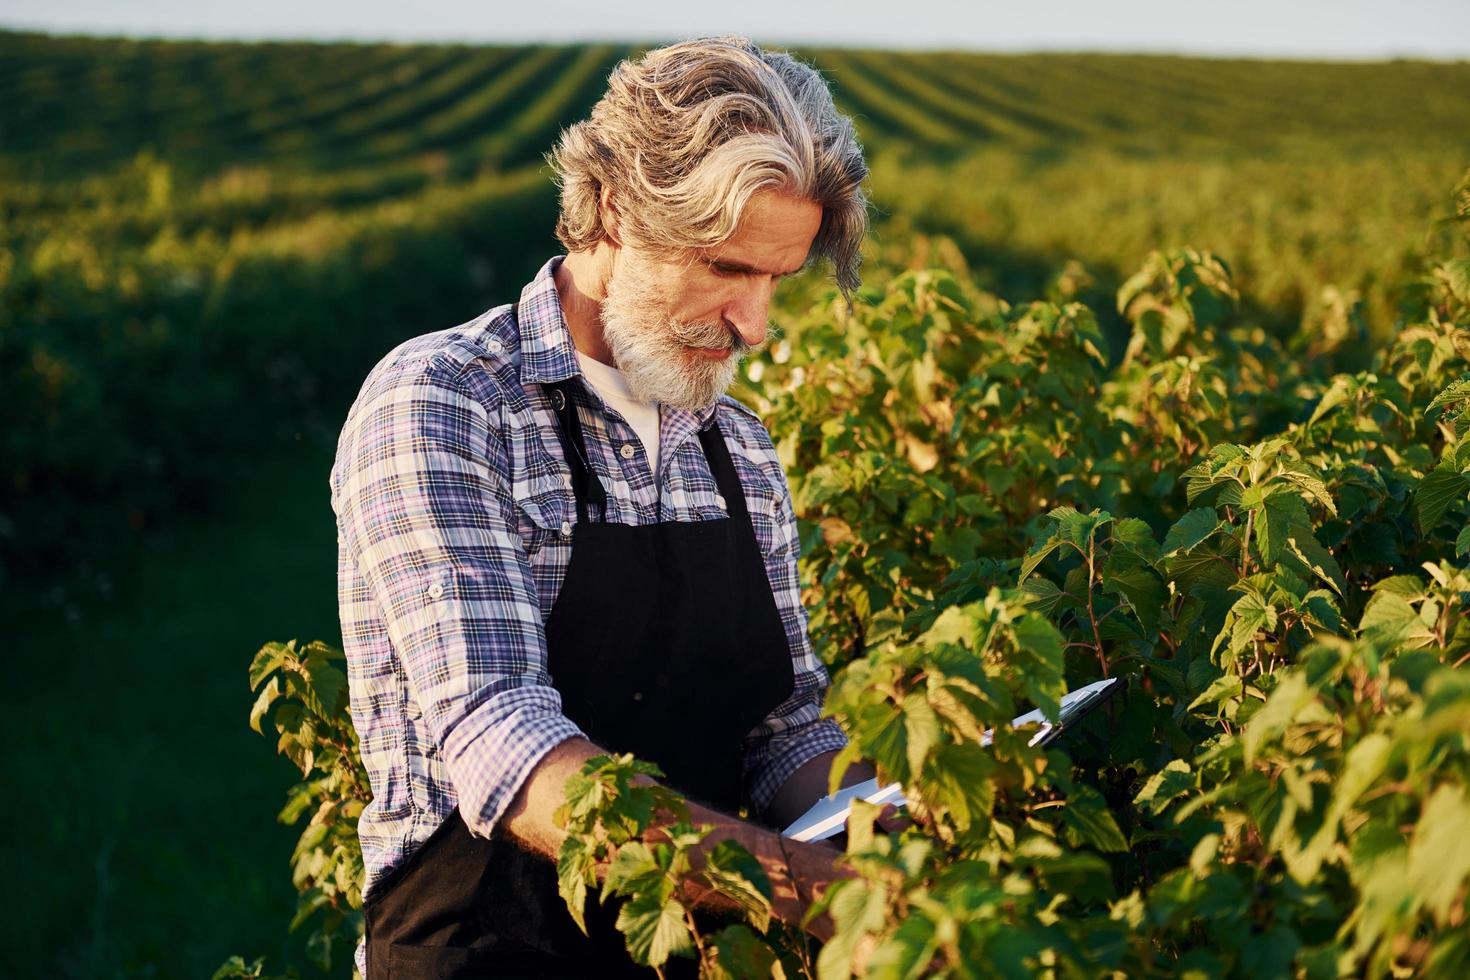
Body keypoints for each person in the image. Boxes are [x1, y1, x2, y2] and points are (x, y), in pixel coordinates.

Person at [330, 35, 879, 978]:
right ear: (616, 211)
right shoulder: (449, 401)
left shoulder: (735, 445)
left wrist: (892, 825)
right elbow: (506, 753)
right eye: (723, 268)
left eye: (776, 281)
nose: (755, 326)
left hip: (684, 951)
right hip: (484, 950)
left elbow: (781, 727)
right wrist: (803, 890)